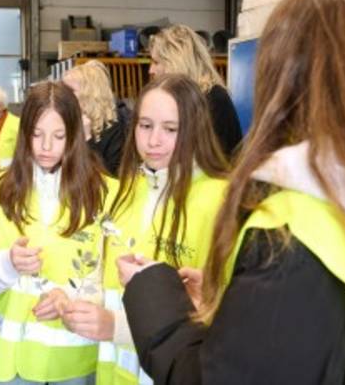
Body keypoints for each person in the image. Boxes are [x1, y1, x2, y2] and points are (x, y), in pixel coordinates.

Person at [119, 0, 345, 384]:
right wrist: (233, 302)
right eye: (146, 125)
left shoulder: (287, 233)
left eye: (171, 128)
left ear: (282, 76)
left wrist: (152, 292)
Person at [61, 74, 229, 385]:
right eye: (146, 125)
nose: (153, 141)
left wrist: (118, 328)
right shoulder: (125, 191)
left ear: (195, 129)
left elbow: (222, 318)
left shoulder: (220, 201)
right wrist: (73, 297)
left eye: (170, 129)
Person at [0, 81, 115, 385]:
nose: (47, 147)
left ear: (75, 135)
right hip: (13, 363)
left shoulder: (105, 194)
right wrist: (8, 264)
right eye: (37, 135)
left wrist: (72, 296)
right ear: (24, 135)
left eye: (59, 136)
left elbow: (114, 280)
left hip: (77, 361)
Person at [149, 24, 242, 158]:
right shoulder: (176, 100)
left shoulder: (214, 100)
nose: (151, 70)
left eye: (156, 62)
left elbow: (217, 162)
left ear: (175, 62)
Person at [63, 60, 130, 176]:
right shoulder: (66, 121)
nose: (63, 95)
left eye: (70, 91)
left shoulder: (115, 126)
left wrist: (87, 139)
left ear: (89, 94)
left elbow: (109, 175)